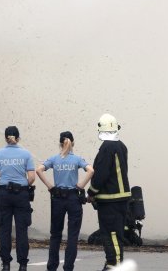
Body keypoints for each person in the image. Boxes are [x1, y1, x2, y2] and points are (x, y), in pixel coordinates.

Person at [36, 131, 94, 271]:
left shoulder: (55, 159)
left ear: (60, 143)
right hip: (73, 198)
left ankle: (51, 267)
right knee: (72, 236)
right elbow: (91, 171)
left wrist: (50, 187)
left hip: (58, 198)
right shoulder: (77, 159)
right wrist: (80, 186)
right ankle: (68, 267)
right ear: (72, 143)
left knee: (55, 234)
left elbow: (38, 170)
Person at [87, 114, 131, 270]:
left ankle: (114, 264)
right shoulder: (121, 146)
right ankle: (114, 263)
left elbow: (101, 174)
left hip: (110, 200)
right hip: (121, 199)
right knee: (117, 235)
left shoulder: (106, 147)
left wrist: (91, 193)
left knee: (111, 235)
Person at [0, 125, 35, 271]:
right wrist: (21, 184)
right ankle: (22, 264)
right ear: (18, 138)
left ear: (5, 138)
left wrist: (4, 180)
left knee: (5, 230)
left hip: (3, 194)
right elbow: (31, 178)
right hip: (21, 195)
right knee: (22, 230)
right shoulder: (27, 154)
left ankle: (6, 264)